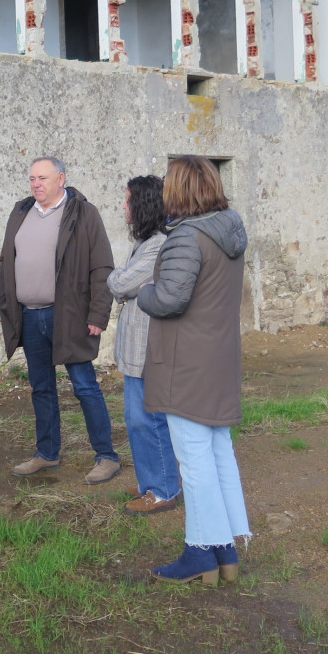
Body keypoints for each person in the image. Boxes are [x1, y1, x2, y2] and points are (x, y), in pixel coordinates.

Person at [137, 155, 250, 584]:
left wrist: (145, 291)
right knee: (219, 452)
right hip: (217, 358)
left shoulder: (187, 238)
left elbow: (170, 300)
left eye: (168, 183)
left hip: (186, 364)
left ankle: (200, 553)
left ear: (179, 189)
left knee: (194, 458)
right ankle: (225, 549)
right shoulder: (228, 230)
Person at [0, 156, 120, 484]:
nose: (36, 184)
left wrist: (97, 314)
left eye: (43, 178)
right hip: (30, 315)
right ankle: (47, 453)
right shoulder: (21, 212)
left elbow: (102, 267)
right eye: (32, 179)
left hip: (68, 316)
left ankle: (106, 456)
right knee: (41, 388)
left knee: (84, 386)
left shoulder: (83, 213)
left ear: (61, 178)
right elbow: (6, 262)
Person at [107, 175, 181, 515]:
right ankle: (152, 482)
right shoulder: (146, 241)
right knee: (137, 417)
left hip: (147, 347)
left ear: (143, 204)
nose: (123, 206)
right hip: (137, 346)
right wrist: (127, 282)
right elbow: (128, 283)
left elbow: (120, 282)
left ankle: (163, 489)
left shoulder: (156, 246)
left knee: (146, 420)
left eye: (127, 200)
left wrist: (121, 280)